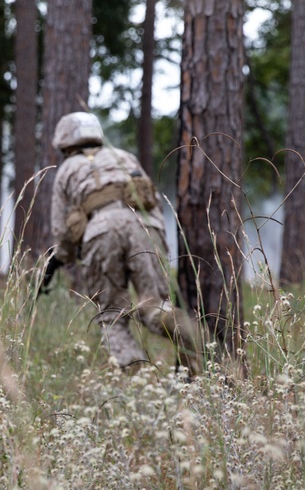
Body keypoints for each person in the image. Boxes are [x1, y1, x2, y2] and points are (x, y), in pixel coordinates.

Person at [40, 111, 203, 375]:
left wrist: (62, 257)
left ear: (64, 143)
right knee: (154, 305)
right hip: (146, 228)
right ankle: (189, 342)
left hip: (101, 231)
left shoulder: (67, 170)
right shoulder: (124, 157)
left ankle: (140, 383)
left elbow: (61, 231)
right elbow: (154, 202)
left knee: (111, 316)